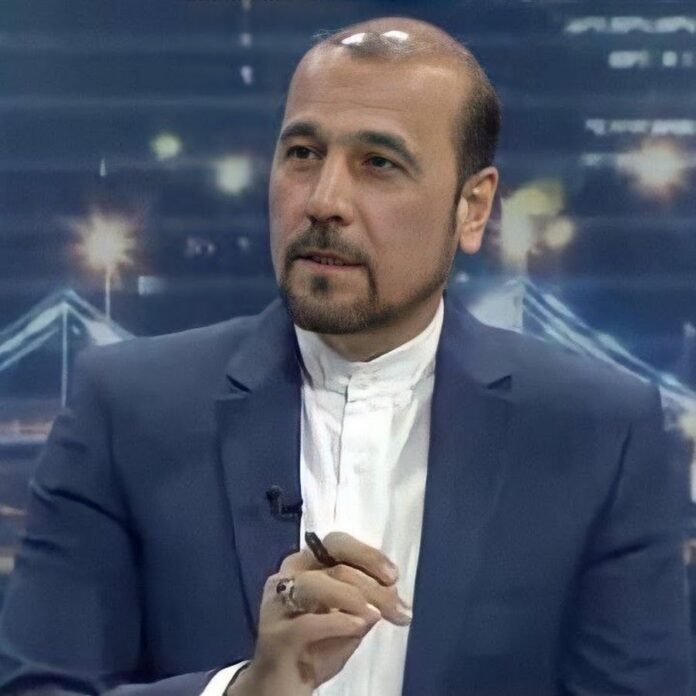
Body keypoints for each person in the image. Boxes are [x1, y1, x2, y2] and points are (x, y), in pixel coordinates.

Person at [0, 15, 692, 696]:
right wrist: (244, 692)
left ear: (473, 208)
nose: (324, 200)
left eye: (379, 163)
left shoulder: (600, 433)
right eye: (303, 154)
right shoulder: (125, 410)